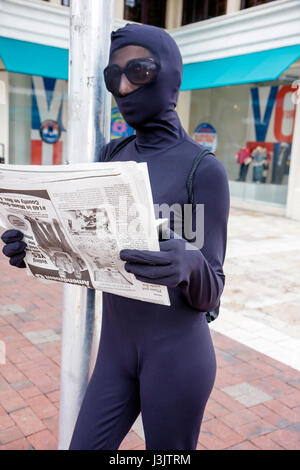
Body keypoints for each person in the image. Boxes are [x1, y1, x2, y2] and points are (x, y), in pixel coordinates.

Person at [1, 23, 230, 450]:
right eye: (113, 77)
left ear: (170, 77)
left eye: (138, 71)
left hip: (177, 357)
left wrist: (190, 264)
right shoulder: (111, 157)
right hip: (116, 352)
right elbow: (87, 244)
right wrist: (34, 245)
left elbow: (212, 290)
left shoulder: (203, 169)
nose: (123, 87)